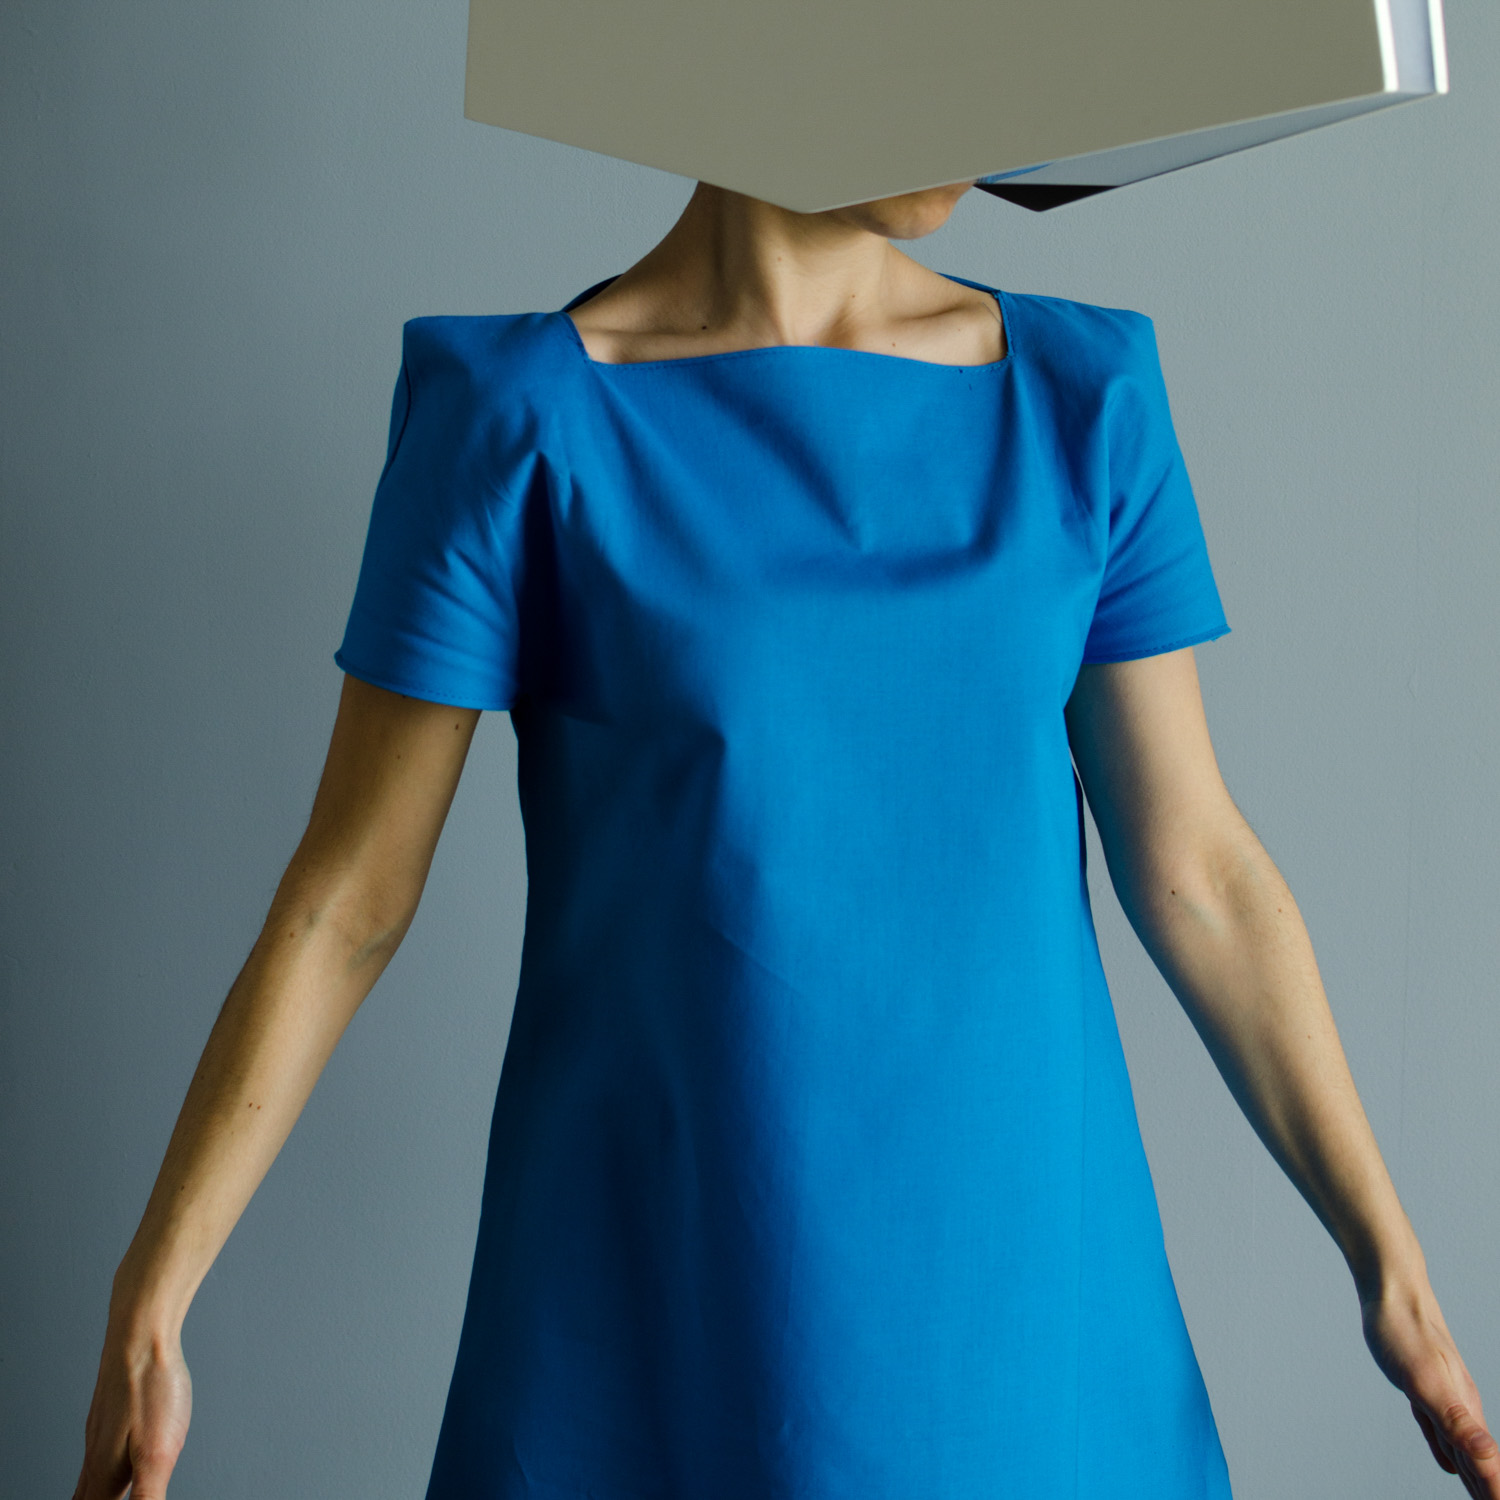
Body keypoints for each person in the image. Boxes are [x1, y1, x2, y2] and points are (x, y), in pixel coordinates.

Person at [73, 178, 1497, 1500]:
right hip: (663, 1292)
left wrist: (1389, 1261)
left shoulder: (1084, 397)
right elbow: (350, 897)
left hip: (1028, 1302)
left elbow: (1199, 871)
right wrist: (157, 1291)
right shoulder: (516, 418)